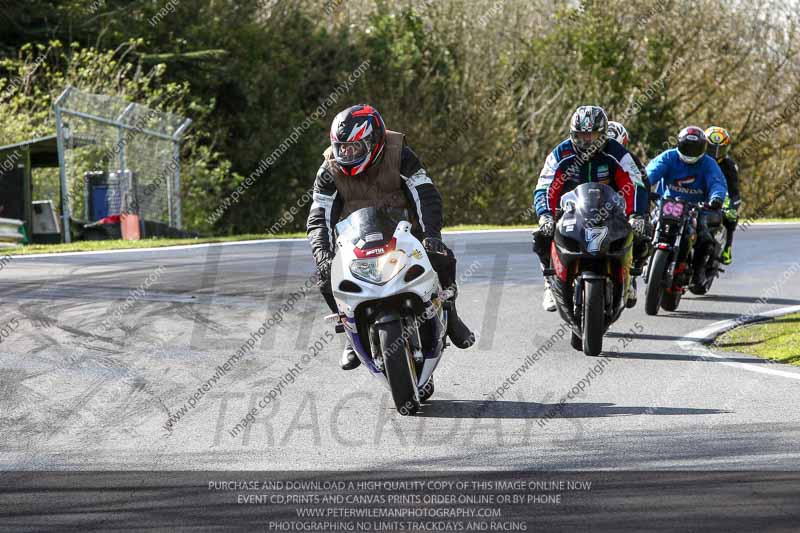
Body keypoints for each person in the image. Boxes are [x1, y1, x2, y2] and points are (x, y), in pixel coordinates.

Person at [306, 104, 475, 370]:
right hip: (356, 239)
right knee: (325, 277)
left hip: (404, 232)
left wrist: (431, 235)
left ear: (373, 142)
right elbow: (319, 217)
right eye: (342, 148)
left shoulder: (400, 154)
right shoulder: (328, 170)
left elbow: (425, 194)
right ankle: (349, 333)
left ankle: (450, 313)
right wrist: (322, 255)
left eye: (354, 148)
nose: (347, 155)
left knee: (441, 257)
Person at [532, 106, 649, 311]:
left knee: (642, 233)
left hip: (610, 209)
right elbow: (545, 186)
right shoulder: (560, 153)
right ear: (572, 133)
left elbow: (634, 183)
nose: (587, 141)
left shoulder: (617, 152)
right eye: (581, 135)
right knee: (541, 235)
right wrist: (545, 216)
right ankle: (549, 283)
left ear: (603, 134)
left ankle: (631, 275)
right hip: (571, 210)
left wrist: (637, 214)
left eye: (593, 135)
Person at [645, 126, 728, 288]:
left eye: (695, 148)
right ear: (679, 143)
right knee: (645, 228)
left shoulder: (708, 164)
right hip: (666, 204)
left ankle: (698, 271)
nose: (690, 151)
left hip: (696, 208)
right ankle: (639, 260)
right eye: (687, 147)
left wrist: (716, 198)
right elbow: (651, 171)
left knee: (704, 237)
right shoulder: (669, 156)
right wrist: (644, 185)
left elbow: (717, 182)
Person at [606, 120, 653, 307]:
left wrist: (641, 215)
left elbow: (643, 187)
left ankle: (632, 274)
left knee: (643, 233)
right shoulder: (585, 158)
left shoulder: (630, 160)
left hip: (621, 210)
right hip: (591, 207)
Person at [705, 126, 740, 265]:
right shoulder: (698, 159)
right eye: (712, 148)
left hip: (720, 197)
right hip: (699, 193)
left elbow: (735, 191)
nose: (715, 153)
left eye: (720, 149)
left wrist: (731, 207)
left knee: (731, 217)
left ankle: (727, 248)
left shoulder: (729, 165)